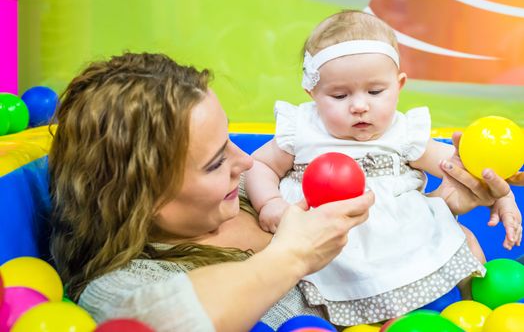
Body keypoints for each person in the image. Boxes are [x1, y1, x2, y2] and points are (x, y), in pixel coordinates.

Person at [48, 52, 515, 332]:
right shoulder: (120, 285)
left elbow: (369, 263)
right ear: (141, 200)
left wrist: (440, 205)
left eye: (229, 139)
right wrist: (291, 256)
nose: (245, 161)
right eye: (215, 162)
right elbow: (154, 321)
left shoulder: (259, 201)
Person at [244, 10, 522, 326]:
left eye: (376, 92)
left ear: (399, 84)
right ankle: (389, 321)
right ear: (313, 93)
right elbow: (260, 165)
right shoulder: (301, 131)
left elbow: (464, 169)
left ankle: (473, 305)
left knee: (462, 238)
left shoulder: (402, 131)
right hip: (339, 243)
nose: (360, 105)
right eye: (339, 95)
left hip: (402, 229)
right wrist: (270, 203)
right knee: (367, 293)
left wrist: (502, 196)